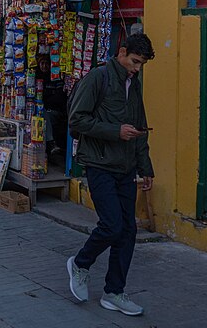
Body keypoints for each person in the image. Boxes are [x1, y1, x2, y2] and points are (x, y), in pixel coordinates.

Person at [66, 33, 155, 317]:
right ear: (122, 52)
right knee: (112, 225)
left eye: (141, 64)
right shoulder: (98, 78)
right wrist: (116, 131)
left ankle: (114, 292)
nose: (137, 68)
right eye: (134, 61)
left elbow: (140, 127)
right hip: (99, 164)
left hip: (126, 168)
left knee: (128, 231)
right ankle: (80, 264)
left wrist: (146, 168)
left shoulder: (135, 85)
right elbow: (77, 120)